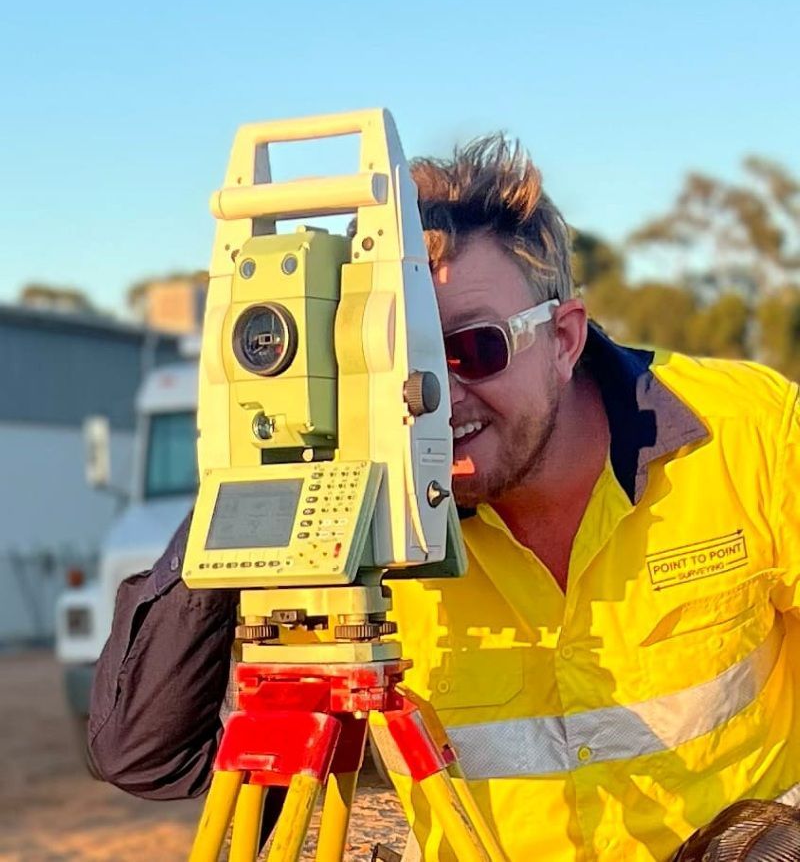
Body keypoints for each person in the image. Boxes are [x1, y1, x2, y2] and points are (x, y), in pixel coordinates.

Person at [89, 136, 800, 861]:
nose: (430, 396)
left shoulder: (750, 437)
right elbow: (144, 752)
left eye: (471, 348)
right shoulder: (366, 508)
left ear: (563, 337)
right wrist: (256, 459)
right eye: (398, 359)